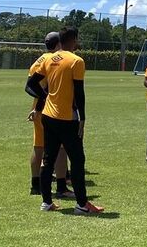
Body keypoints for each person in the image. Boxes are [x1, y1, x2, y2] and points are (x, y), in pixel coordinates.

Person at [24, 26, 103, 214]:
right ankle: (82, 205)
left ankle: (46, 202)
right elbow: (79, 92)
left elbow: (31, 84)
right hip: (67, 118)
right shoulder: (76, 61)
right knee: (77, 159)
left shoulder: (47, 59)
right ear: (73, 39)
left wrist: (45, 97)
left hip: (48, 116)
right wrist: (82, 118)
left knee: (48, 158)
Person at [28, 31, 70, 198]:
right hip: (51, 110)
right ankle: (61, 187)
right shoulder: (53, 60)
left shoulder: (38, 61)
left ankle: (35, 185)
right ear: (59, 44)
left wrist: (38, 103)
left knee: (38, 147)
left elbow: (29, 86)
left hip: (37, 110)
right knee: (61, 149)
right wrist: (46, 98)